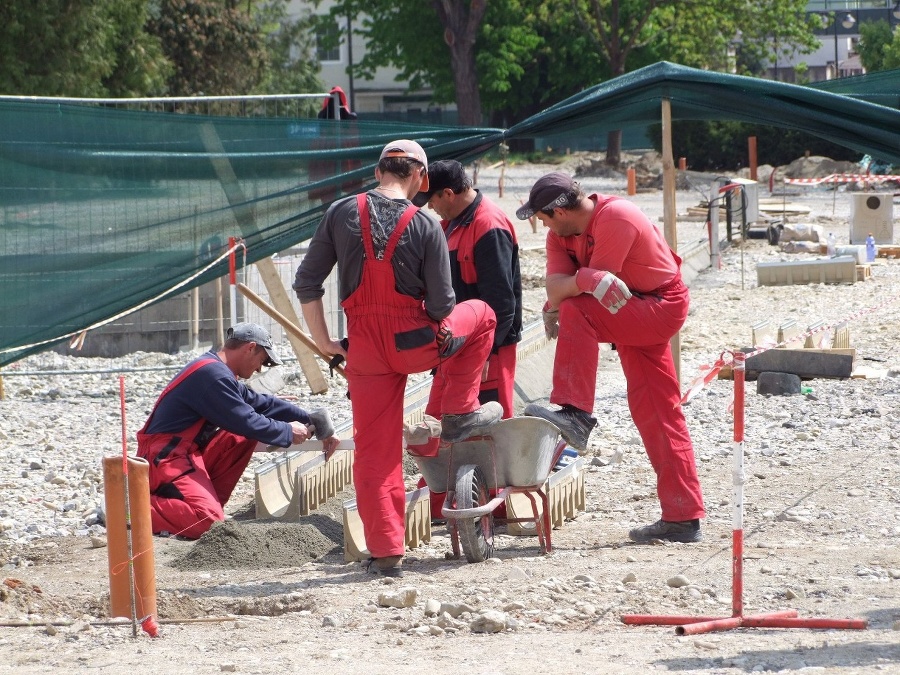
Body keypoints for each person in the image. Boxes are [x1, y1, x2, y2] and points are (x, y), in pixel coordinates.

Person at [293, 140, 502, 577]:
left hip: (365, 350)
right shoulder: (426, 225)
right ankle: (461, 409)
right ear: (420, 178)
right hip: (416, 344)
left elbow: (307, 282)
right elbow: (445, 306)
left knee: (375, 451)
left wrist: (325, 343)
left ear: (377, 171)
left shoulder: (339, 212)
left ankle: (387, 552)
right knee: (482, 313)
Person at [516, 172, 705, 544]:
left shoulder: (616, 217)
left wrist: (572, 288)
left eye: (542, 216)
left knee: (576, 312)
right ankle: (683, 516)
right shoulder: (561, 234)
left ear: (557, 210)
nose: (541, 225)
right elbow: (557, 287)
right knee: (656, 409)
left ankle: (575, 413)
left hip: (659, 305)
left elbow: (592, 291)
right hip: (633, 306)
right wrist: (574, 286)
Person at [137, 323, 339, 540]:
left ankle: (192, 502)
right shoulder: (212, 375)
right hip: (166, 457)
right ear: (250, 348)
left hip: (184, 452)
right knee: (207, 523)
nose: (260, 369)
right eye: (262, 361)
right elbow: (247, 420)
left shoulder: (216, 369)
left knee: (240, 438)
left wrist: (310, 419)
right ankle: (131, 506)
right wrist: (287, 431)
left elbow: (262, 404)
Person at [409, 159, 523, 519]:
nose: (430, 207)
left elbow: (502, 301)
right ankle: (448, 498)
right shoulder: (451, 225)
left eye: (433, 200)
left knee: (490, 427)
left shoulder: (488, 226)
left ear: (449, 193)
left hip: (490, 345)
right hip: (457, 343)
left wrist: (486, 351)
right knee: (441, 420)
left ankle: (495, 510)